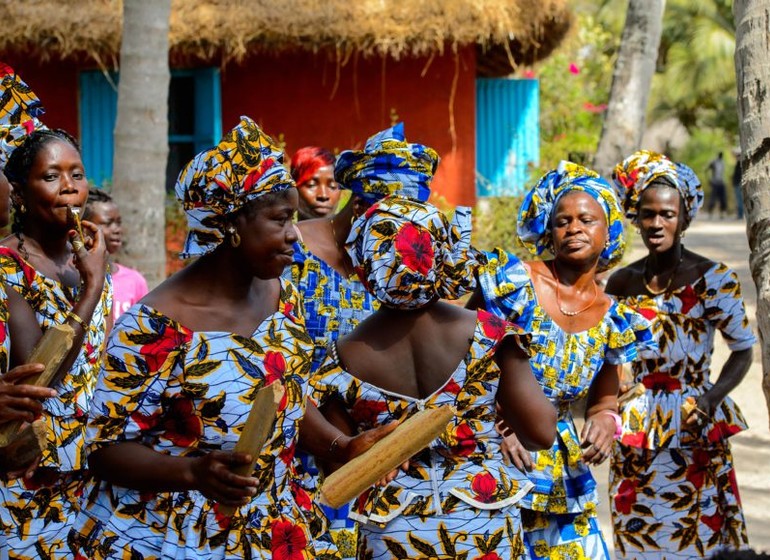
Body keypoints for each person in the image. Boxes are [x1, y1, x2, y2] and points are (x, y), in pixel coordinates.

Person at [70, 117, 398, 559]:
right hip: (175, 536)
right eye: (280, 220)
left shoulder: (283, 295)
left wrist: (342, 447)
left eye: (294, 219)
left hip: (271, 524)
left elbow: (283, 395)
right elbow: (103, 450)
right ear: (231, 225)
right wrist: (192, 473)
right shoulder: (156, 327)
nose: (294, 235)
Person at [311, 192, 557, 559]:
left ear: (365, 262)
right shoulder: (490, 334)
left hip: (394, 528)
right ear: (440, 254)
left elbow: (337, 459)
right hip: (482, 521)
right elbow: (540, 433)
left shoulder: (344, 353)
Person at [466, 161, 657, 559]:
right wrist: (502, 427)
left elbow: (605, 398)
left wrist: (605, 420)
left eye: (587, 220)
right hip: (496, 455)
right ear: (547, 234)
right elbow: (463, 358)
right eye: (562, 221)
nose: (574, 229)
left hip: (562, 472)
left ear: (609, 234)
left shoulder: (613, 317)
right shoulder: (514, 284)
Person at [284, 123, 432, 556]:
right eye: (385, 215)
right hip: (299, 444)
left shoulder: (400, 264)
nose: (394, 232)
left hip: (377, 455)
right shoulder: (292, 250)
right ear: (359, 202)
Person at [608, 150, 754, 558]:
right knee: (637, 535)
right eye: (647, 213)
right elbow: (608, 351)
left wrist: (711, 398)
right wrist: (616, 388)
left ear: (685, 218)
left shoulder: (713, 279)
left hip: (694, 424)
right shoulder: (621, 283)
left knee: (699, 535)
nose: (656, 223)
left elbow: (742, 351)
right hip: (636, 427)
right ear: (635, 218)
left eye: (667, 214)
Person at [0, 120, 110, 558]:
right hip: (30, 479)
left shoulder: (86, 261)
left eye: (76, 175)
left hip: (93, 475)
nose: (68, 188)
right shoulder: (9, 270)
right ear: (20, 195)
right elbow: (37, 379)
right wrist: (91, 292)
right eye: (50, 176)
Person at [83, 188, 149, 320]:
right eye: (108, 223)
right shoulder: (73, 279)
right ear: (85, 228)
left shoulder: (135, 281)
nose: (117, 229)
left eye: (118, 223)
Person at [291, 146, 341, 221]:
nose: (323, 195)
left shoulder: (356, 232)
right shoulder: (276, 232)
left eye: (332, 186)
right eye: (311, 185)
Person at [707, 151, 728, 219]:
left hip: (721, 182)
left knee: (722, 199)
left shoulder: (723, 162)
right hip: (715, 183)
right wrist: (709, 180)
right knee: (713, 199)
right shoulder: (714, 162)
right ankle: (710, 213)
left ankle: (722, 213)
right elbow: (706, 170)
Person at [732, 148, 744, 220]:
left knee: (740, 200)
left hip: (739, 184)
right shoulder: (738, 163)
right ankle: (740, 215)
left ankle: (740, 215)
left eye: (739, 155)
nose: (737, 157)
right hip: (736, 184)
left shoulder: (741, 163)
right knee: (738, 200)